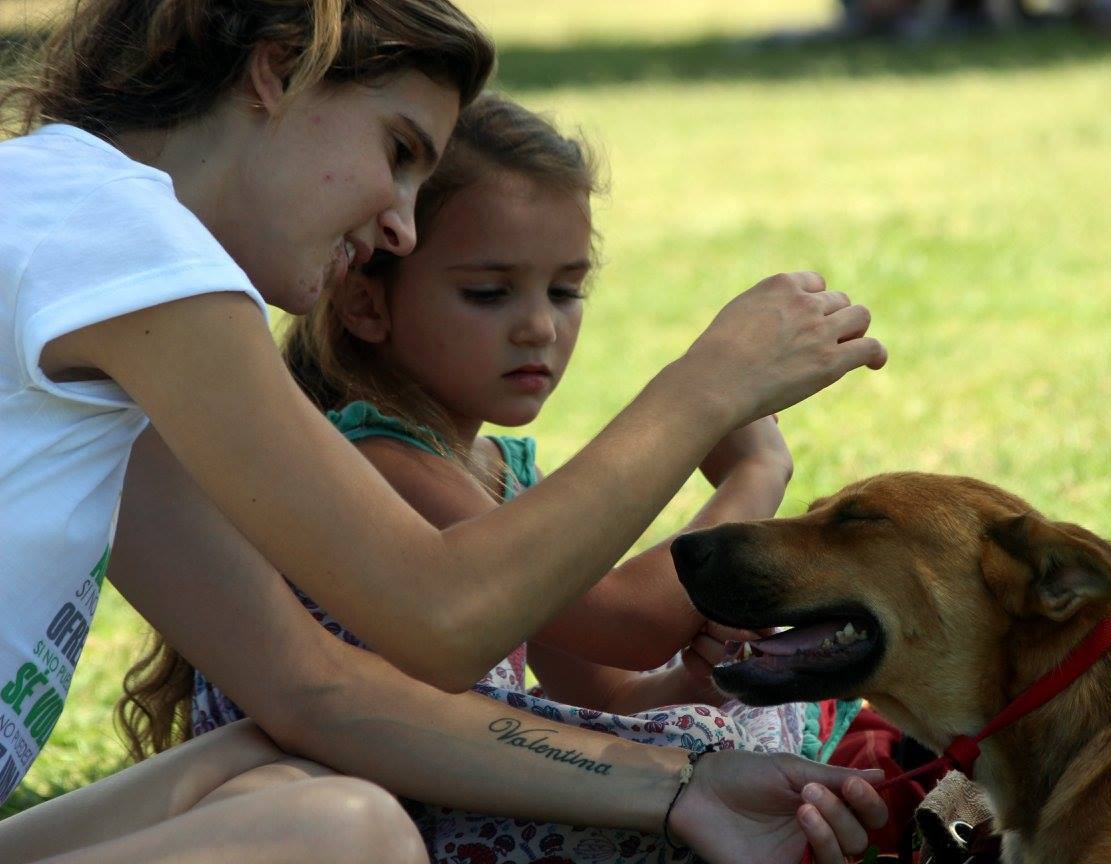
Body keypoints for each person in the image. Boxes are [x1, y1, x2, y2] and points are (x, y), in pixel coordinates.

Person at [0, 1, 888, 861]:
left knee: (282, 768)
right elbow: (443, 615)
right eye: (397, 150)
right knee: (343, 831)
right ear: (278, 71)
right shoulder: (116, 232)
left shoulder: (88, 260)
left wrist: (684, 785)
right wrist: (709, 388)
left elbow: (317, 689)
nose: (400, 222)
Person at [115, 93, 811, 862]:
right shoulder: (381, 460)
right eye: (489, 292)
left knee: (746, 728)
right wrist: (752, 472)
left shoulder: (495, 469)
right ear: (365, 302)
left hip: (474, 777)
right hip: (380, 806)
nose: (539, 327)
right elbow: (630, 622)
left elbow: (607, 689)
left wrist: (697, 684)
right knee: (742, 761)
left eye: (565, 289)